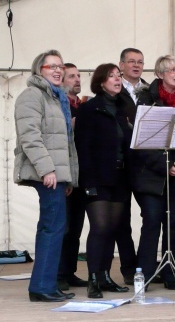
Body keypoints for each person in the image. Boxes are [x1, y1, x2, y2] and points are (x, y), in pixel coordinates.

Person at [14, 50, 78, 302]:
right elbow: (30, 136)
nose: (57, 70)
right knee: (53, 227)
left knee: (54, 226)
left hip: (56, 174)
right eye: (51, 66)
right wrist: (48, 170)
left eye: (60, 66)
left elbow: (65, 143)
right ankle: (41, 286)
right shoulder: (32, 95)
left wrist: (67, 178)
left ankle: (46, 283)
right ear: (38, 70)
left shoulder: (56, 97)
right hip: (46, 173)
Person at [132, 55, 175, 290]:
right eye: (171, 69)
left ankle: (171, 274)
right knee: (151, 222)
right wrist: (164, 165)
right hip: (151, 175)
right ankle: (145, 275)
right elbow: (141, 143)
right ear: (160, 75)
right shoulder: (146, 100)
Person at [74, 63, 132, 298]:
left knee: (113, 229)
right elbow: (83, 148)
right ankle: (94, 279)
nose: (117, 79)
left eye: (118, 75)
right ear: (100, 82)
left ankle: (106, 276)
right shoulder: (89, 109)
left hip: (119, 177)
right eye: (111, 76)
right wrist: (88, 181)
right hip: (97, 177)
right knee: (100, 227)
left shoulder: (122, 108)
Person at [116, 48, 146, 284]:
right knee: (121, 220)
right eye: (131, 62)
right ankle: (128, 268)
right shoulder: (115, 90)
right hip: (122, 165)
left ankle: (145, 267)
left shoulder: (149, 91)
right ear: (121, 65)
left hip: (147, 165)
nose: (136, 66)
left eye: (140, 62)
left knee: (152, 217)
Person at [57, 63, 88, 291]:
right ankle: (58, 273)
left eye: (78, 76)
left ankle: (69, 272)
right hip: (65, 172)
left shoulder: (82, 106)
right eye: (72, 76)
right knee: (64, 226)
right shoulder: (58, 105)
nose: (77, 79)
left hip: (82, 173)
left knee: (76, 227)